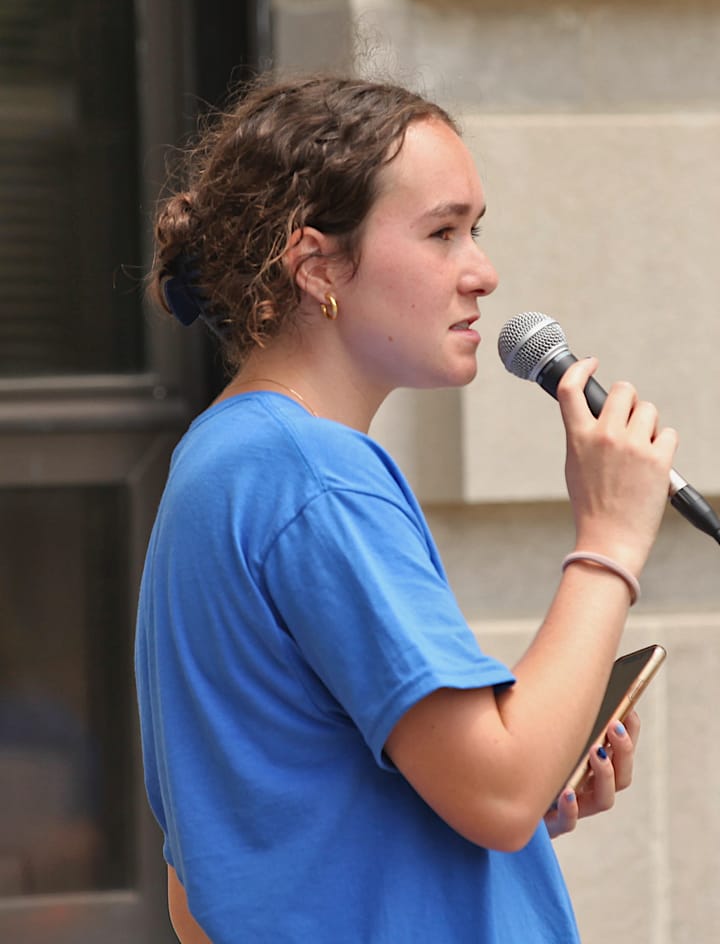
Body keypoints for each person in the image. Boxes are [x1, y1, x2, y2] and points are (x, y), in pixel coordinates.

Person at [134, 72, 678, 943]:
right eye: (442, 232)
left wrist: (514, 793)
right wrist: (609, 538)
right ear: (317, 267)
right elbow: (499, 793)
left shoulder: (222, 459)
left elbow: (207, 883)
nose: (484, 273)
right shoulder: (315, 478)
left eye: (477, 230)